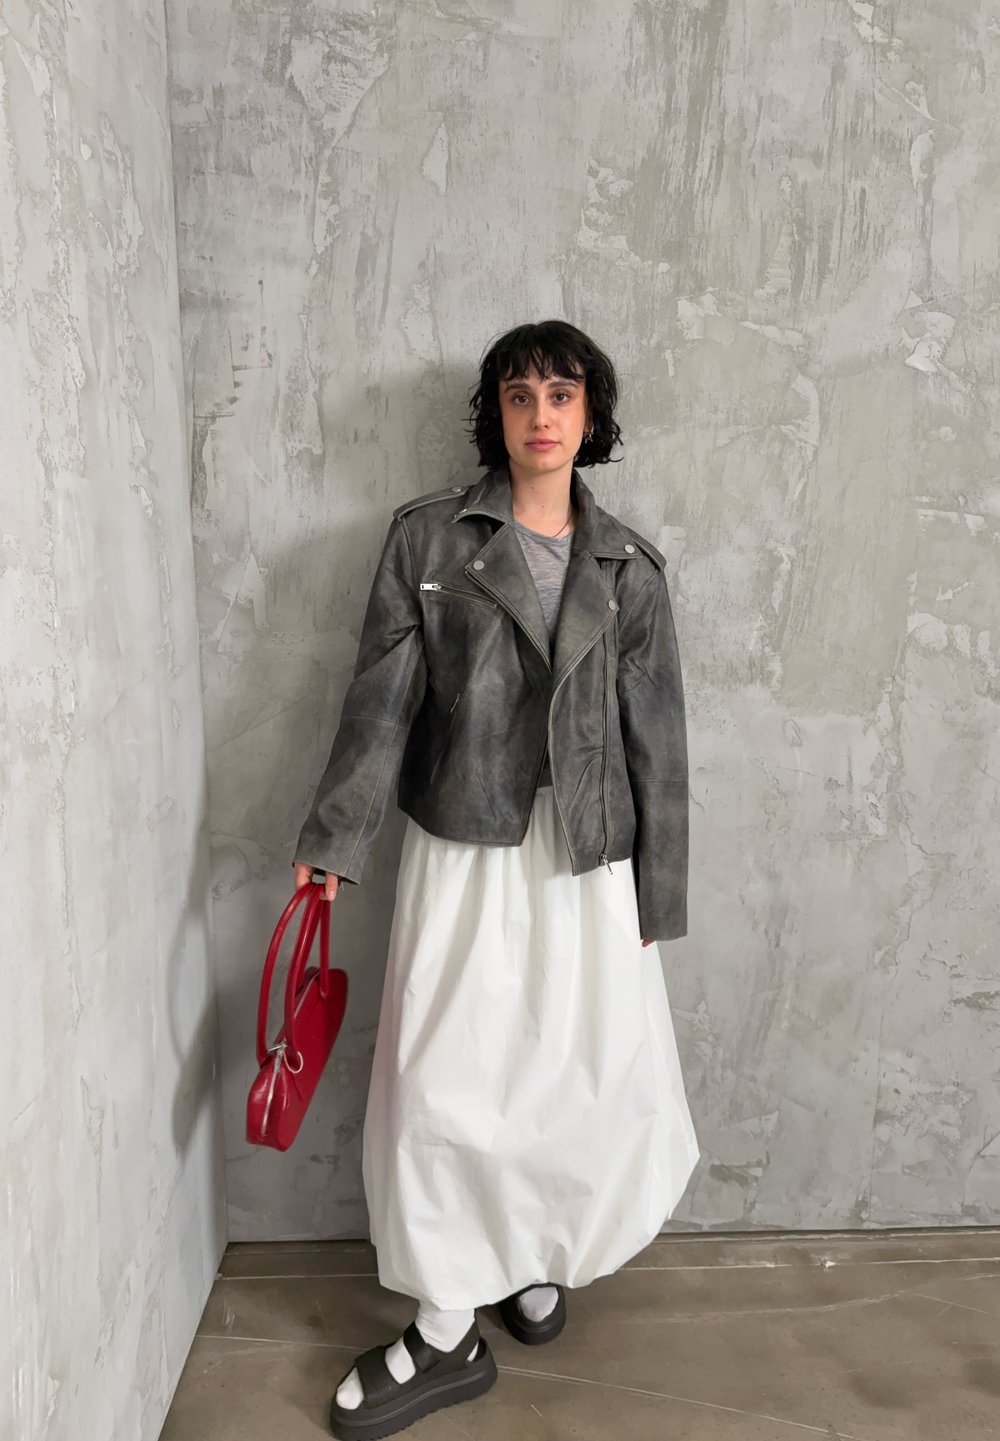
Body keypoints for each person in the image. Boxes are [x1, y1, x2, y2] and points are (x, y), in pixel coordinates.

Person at [292, 319, 701, 1439]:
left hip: (586, 857)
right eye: (520, 395)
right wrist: (335, 841)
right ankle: (443, 1326)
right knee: (446, 1076)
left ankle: (531, 1260)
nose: (540, 415)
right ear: (497, 415)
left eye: (561, 394)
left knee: (573, 1075)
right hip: (463, 844)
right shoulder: (428, 541)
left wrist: (657, 893)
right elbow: (381, 703)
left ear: (589, 414)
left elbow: (659, 741)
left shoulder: (629, 568)